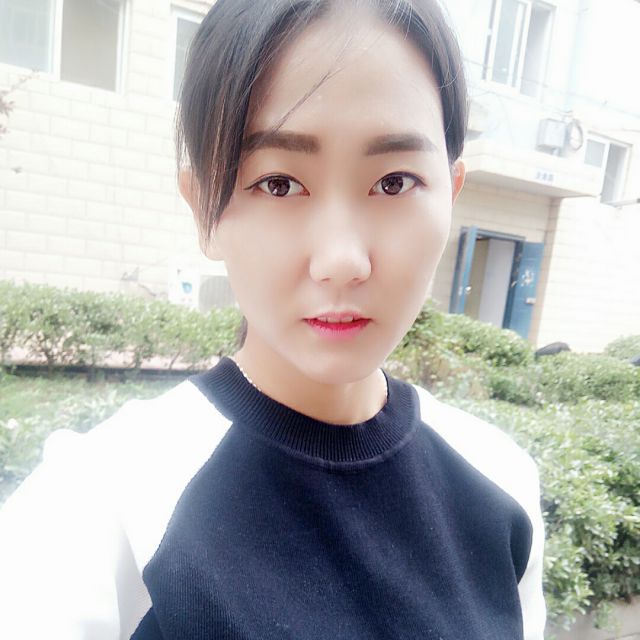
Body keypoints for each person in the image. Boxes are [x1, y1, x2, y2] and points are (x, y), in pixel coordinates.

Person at [0, 0, 546, 638]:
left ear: (450, 195)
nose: (341, 261)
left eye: (395, 182)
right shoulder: (100, 505)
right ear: (206, 209)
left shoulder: (501, 478)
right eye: (279, 183)